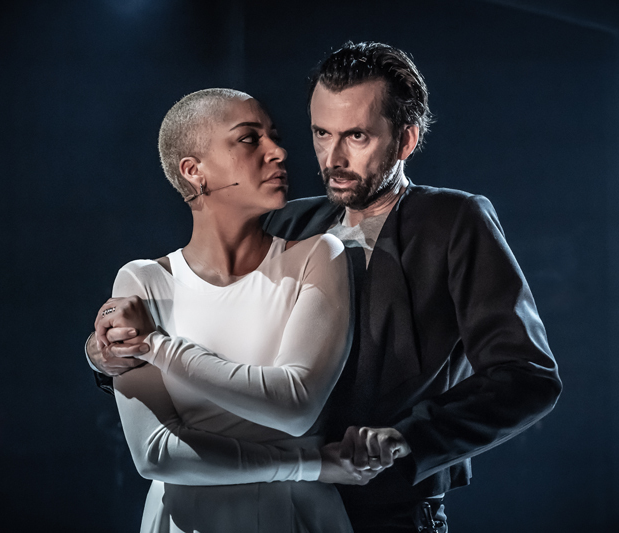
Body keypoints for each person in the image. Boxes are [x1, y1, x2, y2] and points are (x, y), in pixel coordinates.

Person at [89, 42, 562, 532]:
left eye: (356, 136)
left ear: (405, 141)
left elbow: (527, 377)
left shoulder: (455, 221)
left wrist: (408, 437)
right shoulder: (288, 221)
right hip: (279, 502)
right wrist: (108, 354)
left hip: (391, 508)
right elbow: (197, 306)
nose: (332, 157)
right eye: (321, 133)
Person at [98, 87, 382, 533]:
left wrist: (157, 346)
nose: (279, 151)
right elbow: (156, 454)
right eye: (250, 139)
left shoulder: (318, 255)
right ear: (194, 172)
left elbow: (295, 407)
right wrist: (308, 465)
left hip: (298, 519)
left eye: (275, 136)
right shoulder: (142, 280)